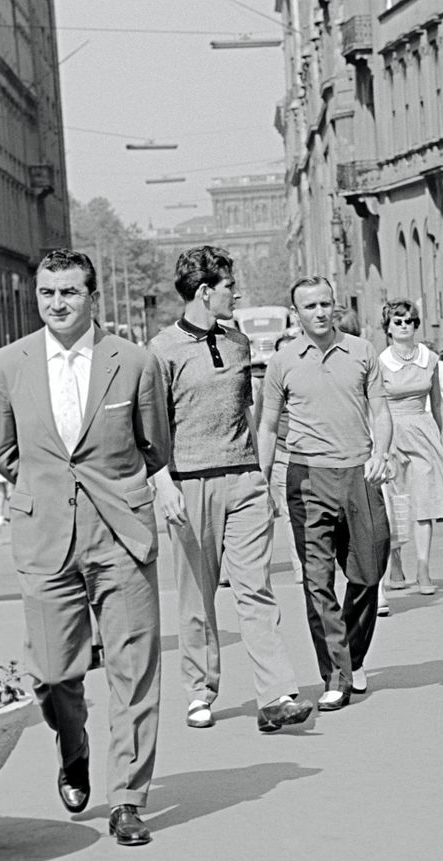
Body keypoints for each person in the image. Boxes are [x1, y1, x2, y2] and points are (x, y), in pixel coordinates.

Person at [0, 248, 170, 846]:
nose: (57, 303)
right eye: (48, 292)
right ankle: (73, 744)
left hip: (121, 534)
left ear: (92, 296)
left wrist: (113, 489)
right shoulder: (8, 365)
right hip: (44, 535)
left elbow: (155, 446)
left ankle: (128, 798)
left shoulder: (134, 361)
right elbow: (1, 452)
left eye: (69, 292)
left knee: (133, 668)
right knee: (51, 672)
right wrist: (47, 491)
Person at [149, 246, 313, 734]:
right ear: (204, 292)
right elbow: (151, 427)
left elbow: (248, 411)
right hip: (189, 484)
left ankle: (275, 695)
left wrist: (262, 475)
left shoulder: (239, 342)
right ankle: (199, 690)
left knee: (256, 588)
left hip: (244, 480)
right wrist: (163, 485)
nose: (236, 294)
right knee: (197, 597)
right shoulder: (160, 351)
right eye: (229, 286)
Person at [257, 276, 394, 712]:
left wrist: (381, 453)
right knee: (317, 582)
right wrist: (262, 483)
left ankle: (350, 655)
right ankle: (335, 674)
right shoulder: (282, 362)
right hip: (307, 478)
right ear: (295, 313)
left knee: (369, 572)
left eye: (325, 304)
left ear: (334, 306)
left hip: (359, 473)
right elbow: (267, 426)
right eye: (310, 306)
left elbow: (381, 411)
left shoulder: (362, 351)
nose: (319, 312)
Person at [379, 300, 443, 596]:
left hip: (423, 431)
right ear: (388, 328)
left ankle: (423, 569)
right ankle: (395, 564)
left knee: (425, 502)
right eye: (398, 321)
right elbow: (374, 407)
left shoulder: (430, 359)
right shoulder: (379, 363)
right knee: (394, 503)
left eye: (409, 321)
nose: (404, 326)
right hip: (391, 433)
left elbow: (438, 403)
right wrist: (377, 446)